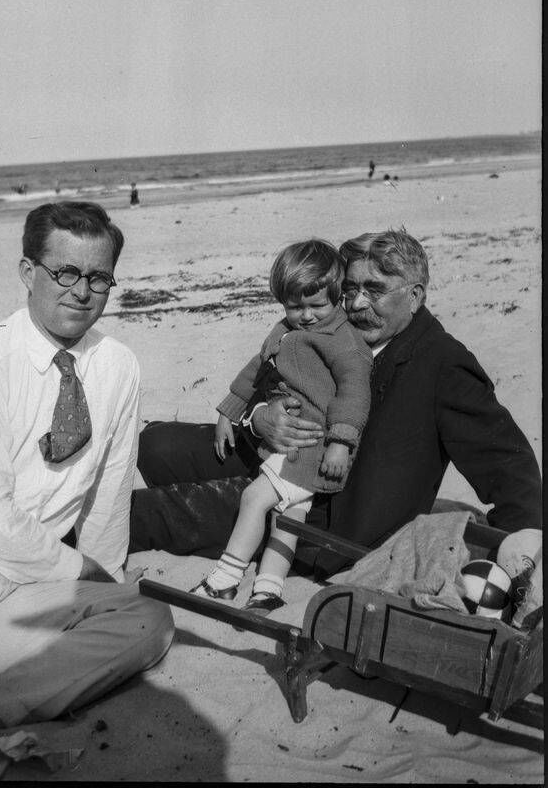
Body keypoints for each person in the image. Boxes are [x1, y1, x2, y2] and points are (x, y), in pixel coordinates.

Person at [129, 230, 542, 579]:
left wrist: (521, 551)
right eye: (351, 289)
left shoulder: (443, 364)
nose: (358, 304)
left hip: (320, 509)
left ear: (415, 296)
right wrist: (260, 418)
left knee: (150, 514)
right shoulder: (339, 330)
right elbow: (271, 379)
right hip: (275, 454)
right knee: (156, 444)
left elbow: (508, 464)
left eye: (375, 290)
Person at [0, 201, 174, 777]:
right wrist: (79, 570)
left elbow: (110, 491)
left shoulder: (118, 365)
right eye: (65, 272)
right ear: (28, 272)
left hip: (27, 588)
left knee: (148, 620)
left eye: (98, 277)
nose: (81, 291)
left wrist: (106, 578)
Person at [191, 240, 371, 613]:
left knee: (253, 498)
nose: (306, 316)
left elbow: (354, 392)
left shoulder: (344, 342)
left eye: (317, 306)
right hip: (293, 446)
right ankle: (268, 589)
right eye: (294, 306)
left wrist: (341, 441)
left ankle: (225, 579)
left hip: (313, 447)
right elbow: (258, 368)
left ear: (337, 296)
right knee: (289, 517)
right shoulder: (285, 330)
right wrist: (229, 411)